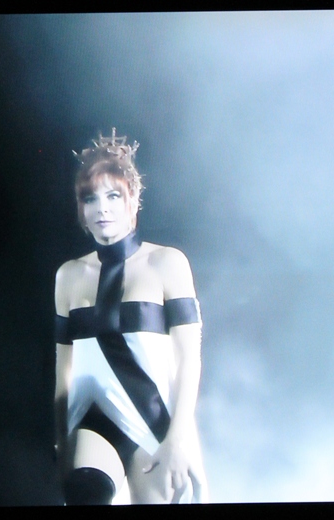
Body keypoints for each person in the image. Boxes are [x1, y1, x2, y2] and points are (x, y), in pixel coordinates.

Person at [54, 129, 209, 505]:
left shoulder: (167, 263)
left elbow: (189, 360)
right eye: (91, 198)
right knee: (85, 495)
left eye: (113, 196)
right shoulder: (68, 275)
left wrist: (178, 439)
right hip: (92, 421)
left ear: (134, 199)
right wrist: (60, 440)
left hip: (154, 421)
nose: (102, 209)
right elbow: (63, 370)